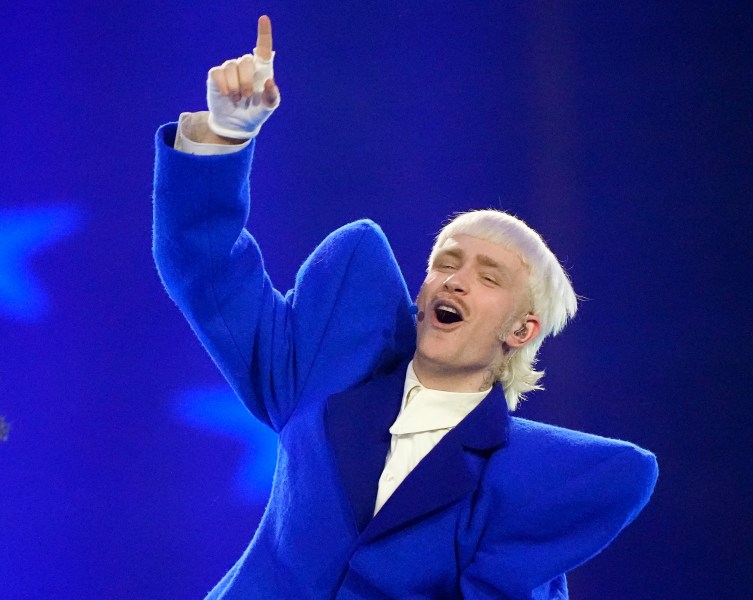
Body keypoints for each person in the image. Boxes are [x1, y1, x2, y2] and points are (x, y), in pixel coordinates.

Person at [153, 15, 657, 599]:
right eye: (446, 262)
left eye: (487, 276)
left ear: (522, 328)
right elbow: (205, 268)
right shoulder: (322, 374)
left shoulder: (524, 481)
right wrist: (226, 135)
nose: (456, 281)